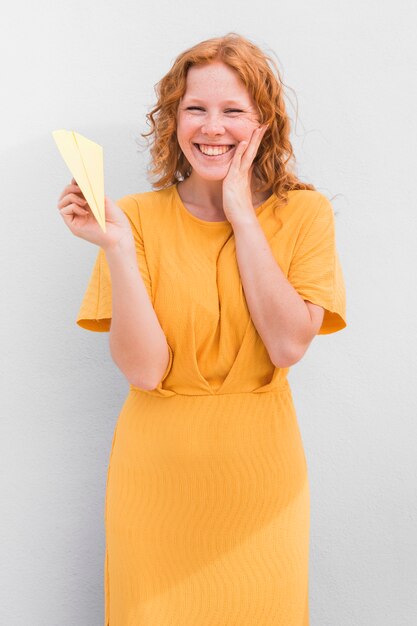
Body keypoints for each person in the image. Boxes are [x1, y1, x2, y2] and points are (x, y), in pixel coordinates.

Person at [57, 32, 347, 626]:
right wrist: (115, 248)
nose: (213, 127)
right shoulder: (132, 217)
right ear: (173, 119)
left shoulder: (304, 214)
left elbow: (290, 344)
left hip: (260, 481)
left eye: (233, 110)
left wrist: (241, 213)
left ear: (263, 122)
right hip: (155, 483)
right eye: (196, 108)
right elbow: (144, 371)